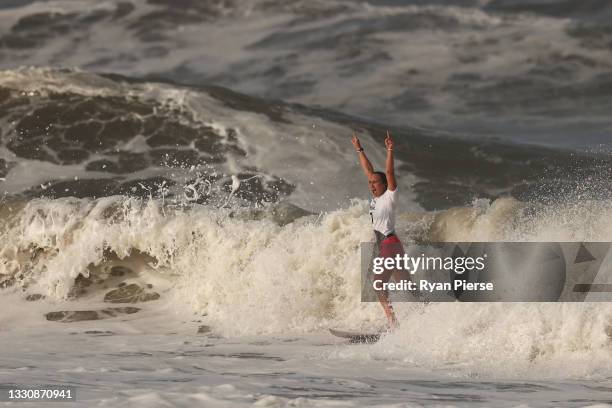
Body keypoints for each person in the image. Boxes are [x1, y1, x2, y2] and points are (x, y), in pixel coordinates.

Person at [352, 130, 405, 329]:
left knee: (378, 284)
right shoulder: (376, 198)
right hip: (391, 246)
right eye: (370, 183)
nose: (371, 185)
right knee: (408, 287)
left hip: (389, 245)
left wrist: (390, 150)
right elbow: (368, 170)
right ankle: (428, 312)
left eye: (375, 182)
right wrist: (359, 149)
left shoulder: (390, 196)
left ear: (385, 184)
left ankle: (393, 322)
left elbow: (389, 173)